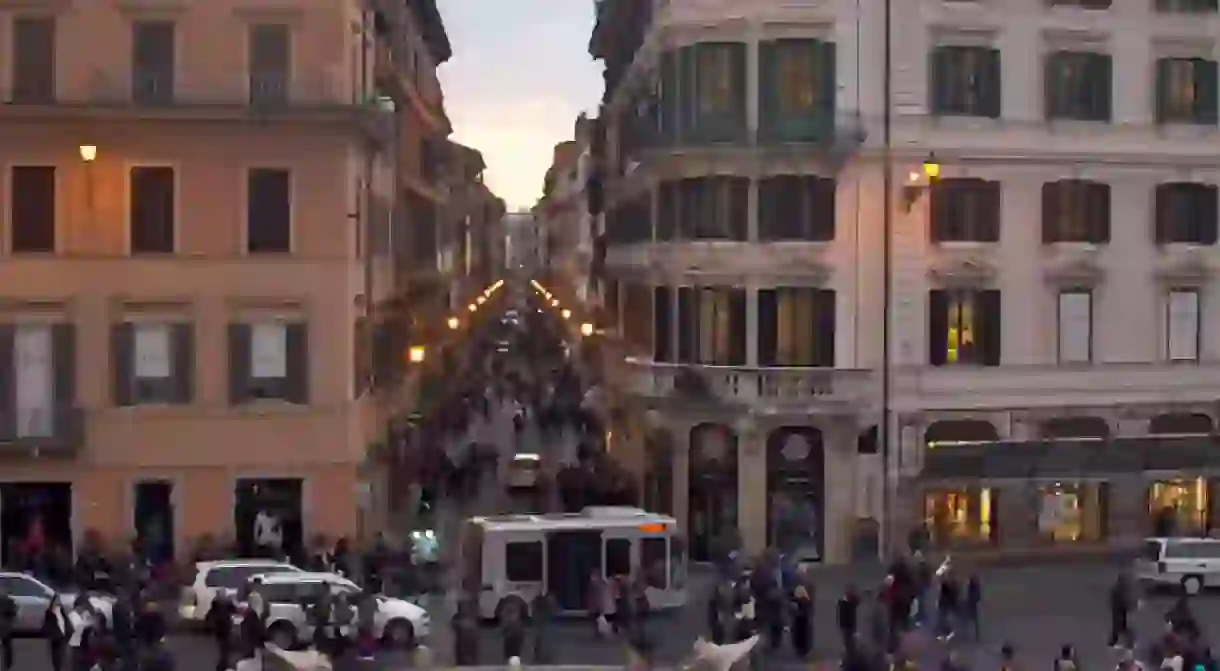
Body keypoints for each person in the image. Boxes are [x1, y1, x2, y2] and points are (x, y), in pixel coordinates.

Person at [208, 591, 237, 671]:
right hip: (226, 626)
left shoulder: (215, 602)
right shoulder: (227, 602)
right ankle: (224, 663)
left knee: (222, 646)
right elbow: (234, 610)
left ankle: (223, 662)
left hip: (219, 627)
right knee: (226, 646)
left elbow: (212, 613)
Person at [44, 593, 73, 671]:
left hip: (62, 637)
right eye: (56, 601)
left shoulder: (61, 611)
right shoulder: (49, 613)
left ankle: (59, 667)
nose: (57, 603)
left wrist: (69, 631)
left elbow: (67, 623)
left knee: (61, 656)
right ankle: (57, 668)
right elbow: (47, 624)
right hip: (56, 637)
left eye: (58, 601)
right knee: (56, 657)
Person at [0, 585, 14, 671]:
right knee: (7, 646)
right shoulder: (9, 601)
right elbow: (13, 613)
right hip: (6, 626)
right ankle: (7, 665)